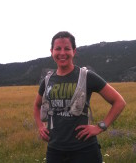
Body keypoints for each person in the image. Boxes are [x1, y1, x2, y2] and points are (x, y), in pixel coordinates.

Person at [33, 31, 126, 163]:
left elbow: (119, 102)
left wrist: (100, 127)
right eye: (58, 48)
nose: (62, 53)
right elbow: (37, 106)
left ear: (74, 51)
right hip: (55, 150)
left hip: (85, 150)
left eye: (67, 48)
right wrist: (40, 126)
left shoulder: (86, 76)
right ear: (51, 51)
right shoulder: (47, 80)